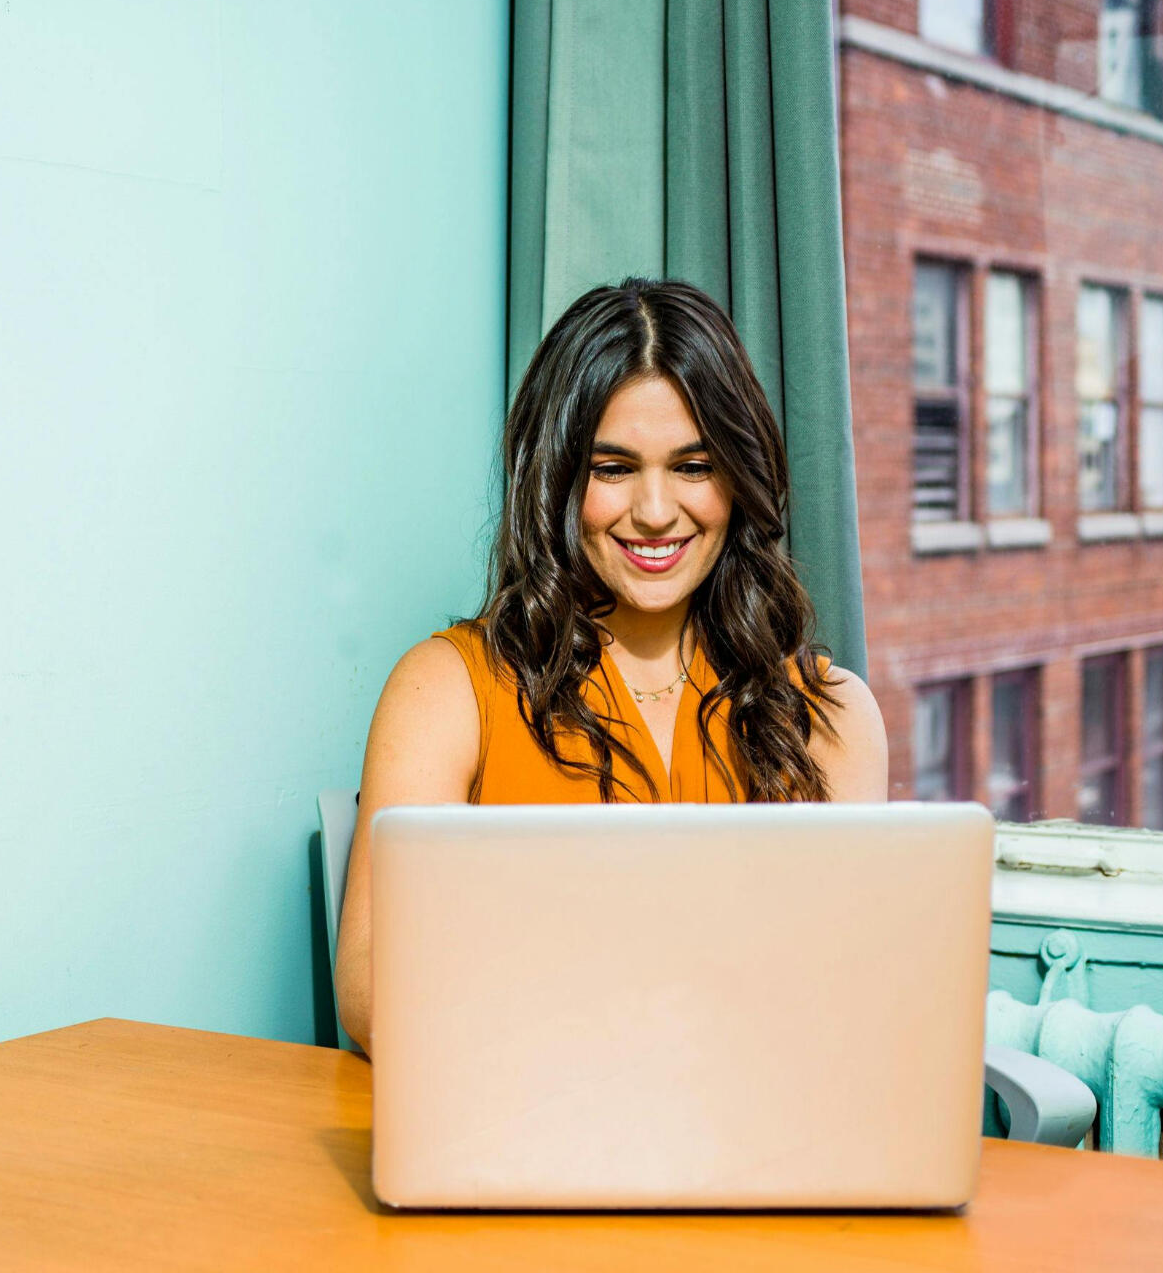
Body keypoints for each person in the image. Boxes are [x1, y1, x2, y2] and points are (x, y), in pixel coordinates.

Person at [333, 278, 889, 1055]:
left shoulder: (830, 712)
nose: (656, 511)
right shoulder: (444, 690)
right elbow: (374, 999)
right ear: (559, 479)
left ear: (739, 477)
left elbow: (850, 999)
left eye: (694, 466)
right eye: (613, 468)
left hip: (761, 1144)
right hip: (524, 1125)